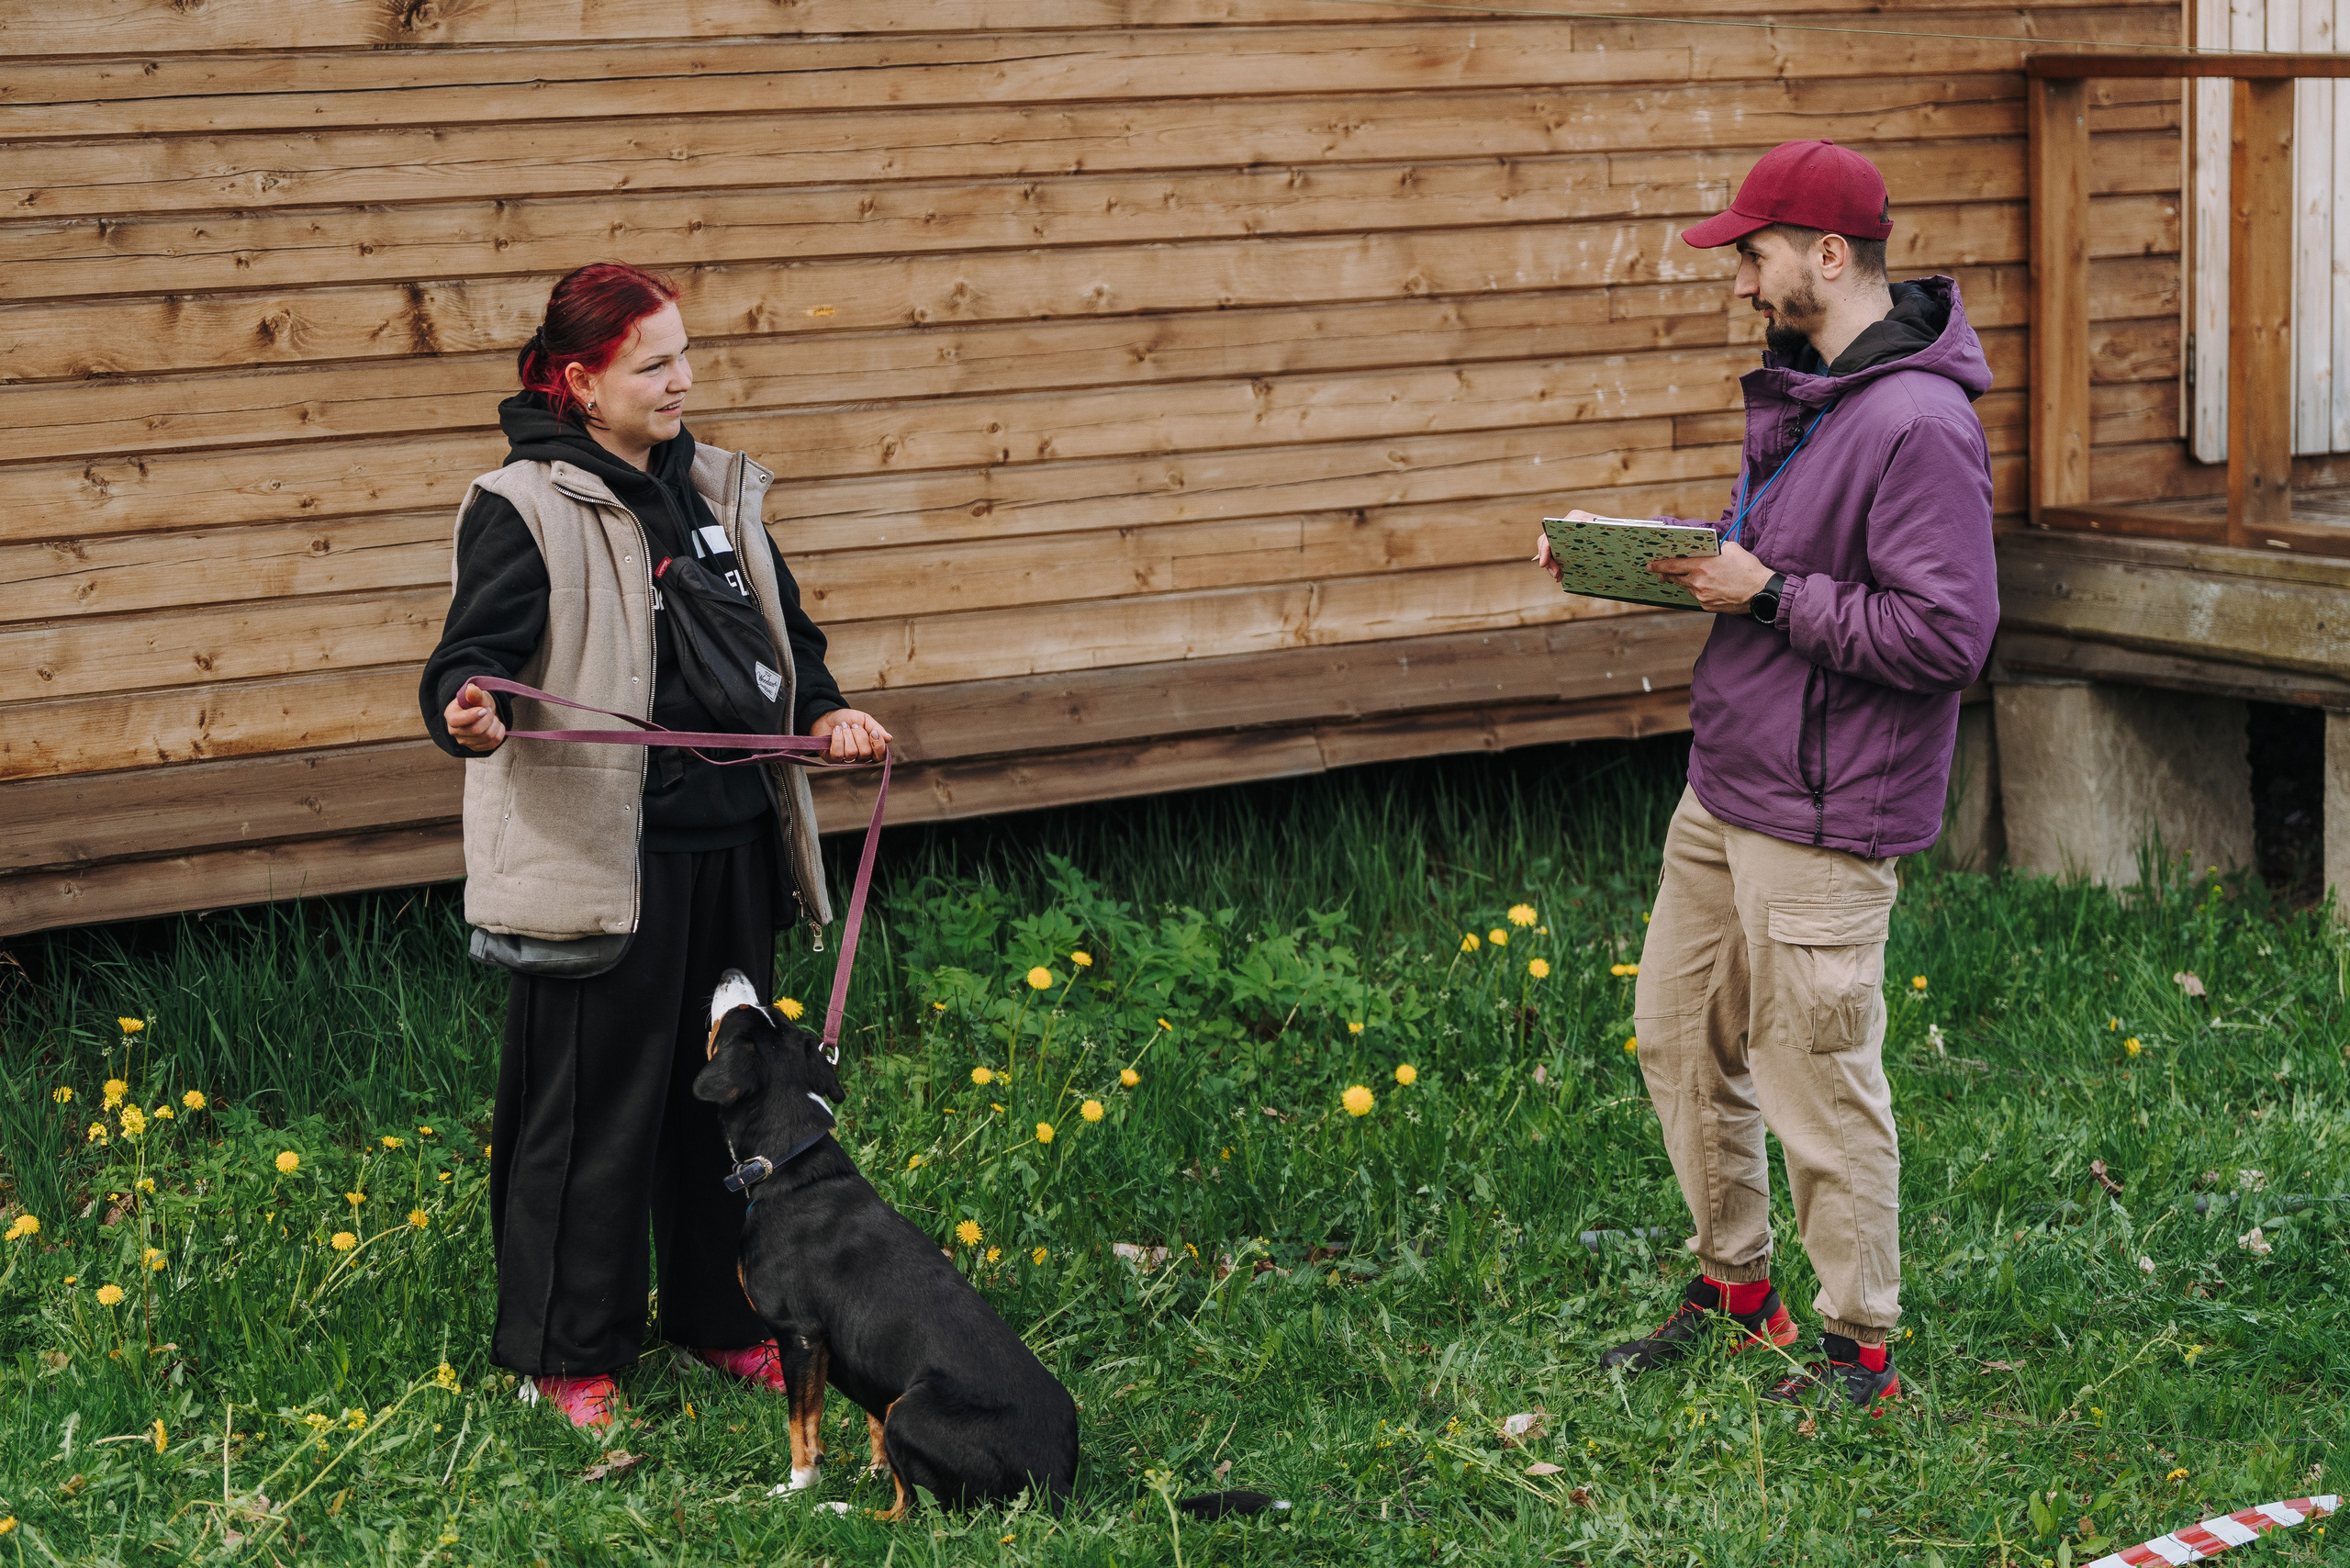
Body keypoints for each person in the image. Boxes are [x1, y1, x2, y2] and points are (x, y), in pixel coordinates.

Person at [1536, 141, 1997, 1409]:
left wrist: (1772, 594)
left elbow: (1949, 636)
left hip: (1828, 810)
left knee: (1817, 1090)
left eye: (1756, 251)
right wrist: (1646, 558)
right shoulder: (1817, 392)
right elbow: (1772, 561)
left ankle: (1862, 1357)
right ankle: (1738, 1293)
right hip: (1730, 783)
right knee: (1678, 1042)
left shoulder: (1918, 422)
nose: (1742, 276)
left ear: (1829, 255)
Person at [419, 262, 893, 1432]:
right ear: (581, 383)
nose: (683, 380)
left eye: (685, 354)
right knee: (590, 1114)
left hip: (733, 847)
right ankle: (564, 1351)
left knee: (729, 1103)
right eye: (654, 364)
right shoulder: (522, 504)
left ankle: (721, 1317)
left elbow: (789, 636)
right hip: (603, 864)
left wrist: (826, 711)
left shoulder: (718, 488)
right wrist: (467, 708)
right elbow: (466, 662)